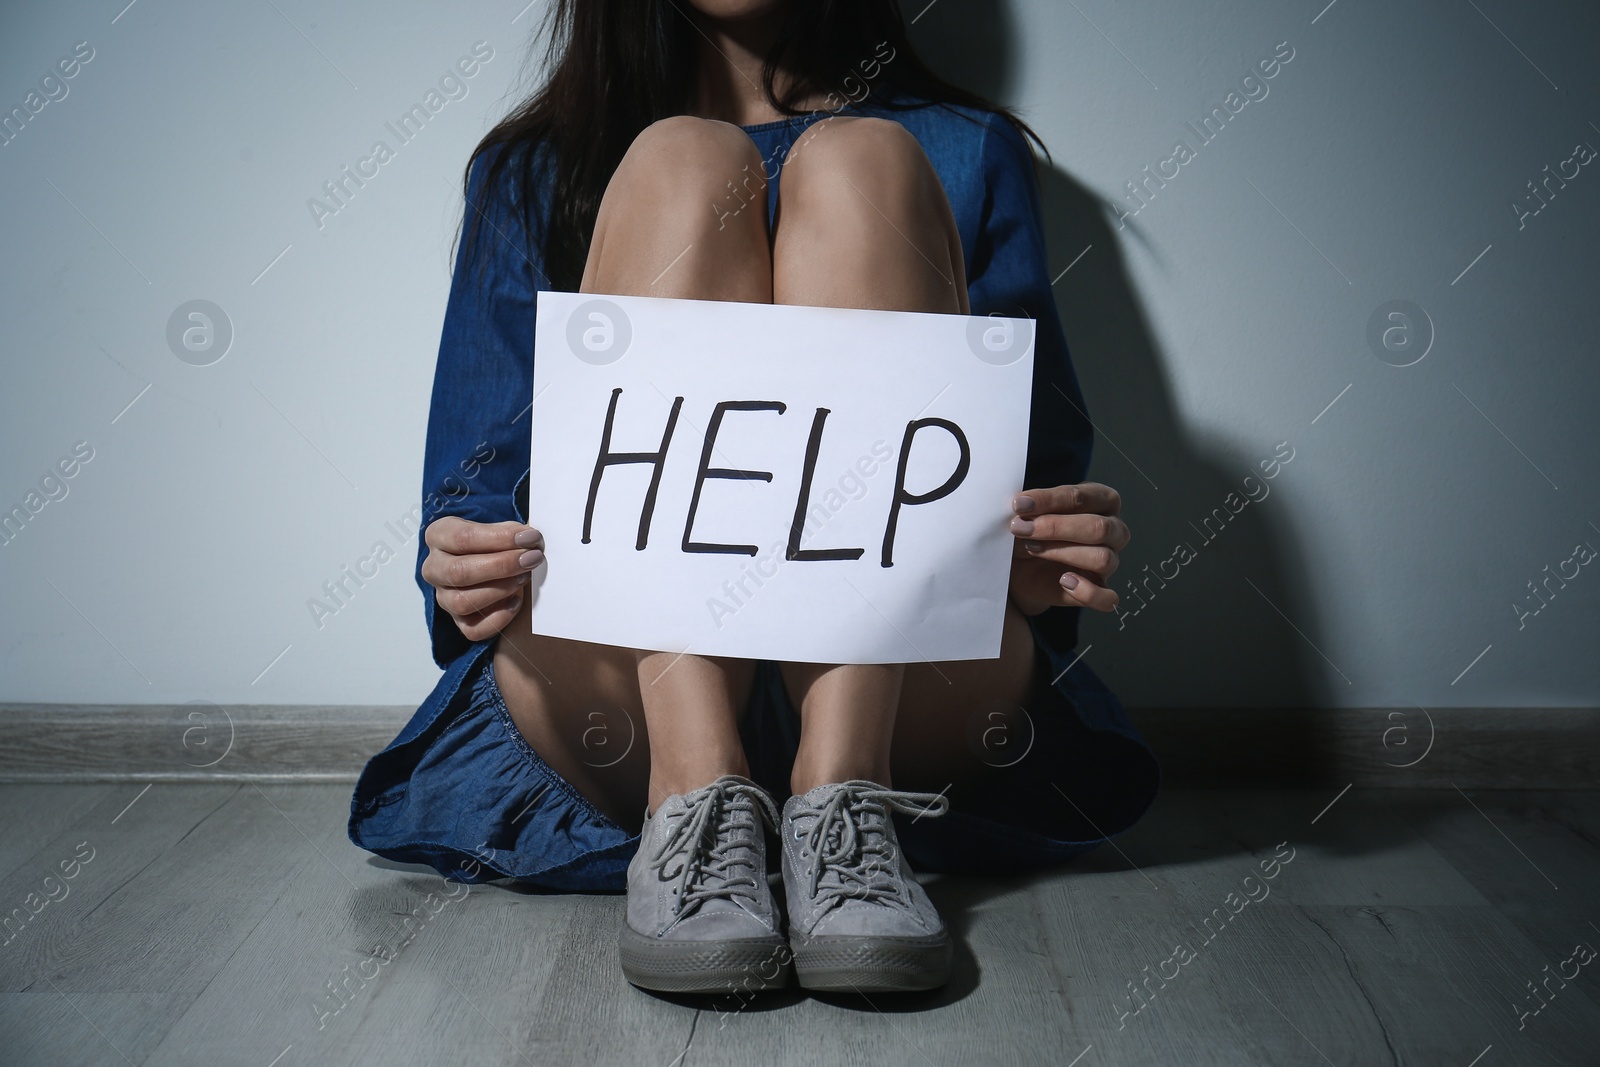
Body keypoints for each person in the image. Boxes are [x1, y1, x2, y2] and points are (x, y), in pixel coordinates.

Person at [348, 0, 1159, 996]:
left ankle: (843, 796)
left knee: (866, 160)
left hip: (904, 694)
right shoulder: (532, 169)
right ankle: (695, 792)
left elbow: (1024, 469)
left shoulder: (967, 150)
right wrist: (466, 556)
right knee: (678, 162)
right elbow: (473, 484)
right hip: (629, 700)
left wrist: (1042, 547)